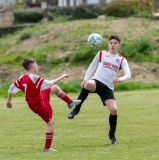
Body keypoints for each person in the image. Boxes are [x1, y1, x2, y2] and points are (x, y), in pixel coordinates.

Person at [6, 58, 81, 151]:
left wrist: (9, 100)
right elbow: (50, 83)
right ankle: (47, 147)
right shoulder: (34, 78)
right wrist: (62, 76)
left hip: (39, 97)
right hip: (37, 104)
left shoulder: (22, 77)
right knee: (51, 123)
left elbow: (11, 88)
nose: (37, 66)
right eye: (36, 64)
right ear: (33, 66)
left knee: (55, 88)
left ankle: (70, 102)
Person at [68, 34, 131, 144]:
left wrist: (120, 79)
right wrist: (85, 79)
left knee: (114, 110)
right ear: (108, 44)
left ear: (119, 45)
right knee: (88, 84)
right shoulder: (101, 53)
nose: (112, 45)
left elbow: (128, 74)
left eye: (115, 43)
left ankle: (112, 135)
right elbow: (92, 66)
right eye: (111, 43)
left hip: (108, 87)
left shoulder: (121, 60)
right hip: (97, 81)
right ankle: (76, 109)